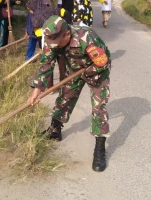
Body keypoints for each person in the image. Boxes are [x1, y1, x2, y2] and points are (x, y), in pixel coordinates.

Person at [27, 16, 111, 172]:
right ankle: (55, 130)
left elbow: (102, 62)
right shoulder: (53, 39)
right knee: (64, 96)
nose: (53, 46)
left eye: (57, 42)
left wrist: (86, 73)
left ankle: (100, 147)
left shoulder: (87, 37)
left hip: (97, 70)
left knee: (99, 107)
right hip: (75, 69)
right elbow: (46, 64)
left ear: (66, 34)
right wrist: (36, 91)